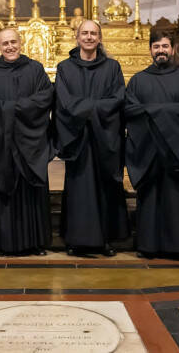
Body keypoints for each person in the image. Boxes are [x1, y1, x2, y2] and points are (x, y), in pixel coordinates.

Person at [125, 30, 179, 259]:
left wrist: (156, 114)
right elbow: (129, 111)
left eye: (165, 46)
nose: (160, 51)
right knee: (149, 200)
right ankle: (147, 246)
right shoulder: (138, 80)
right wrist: (166, 119)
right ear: (150, 50)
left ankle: (177, 247)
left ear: (173, 49)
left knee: (176, 200)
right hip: (148, 151)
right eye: (156, 47)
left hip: (177, 152)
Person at [0, 28, 53, 256]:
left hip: (30, 142)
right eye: (5, 43)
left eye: (13, 42)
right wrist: (19, 108)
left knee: (32, 193)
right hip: (2, 144)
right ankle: (4, 244)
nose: (10, 47)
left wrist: (10, 108)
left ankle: (36, 243)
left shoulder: (35, 69)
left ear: (21, 42)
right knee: (4, 193)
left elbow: (45, 97)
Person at [54, 20, 130, 257]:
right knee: (79, 189)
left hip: (104, 138)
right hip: (77, 137)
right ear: (77, 38)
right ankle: (76, 240)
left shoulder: (112, 67)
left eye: (93, 33)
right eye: (84, 33)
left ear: (99, 38)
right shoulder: (65, 68)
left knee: (104, 187)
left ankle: (104, 240)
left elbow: (117, 98)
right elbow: (64, 101)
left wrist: (87, 110)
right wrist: (94, 110)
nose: (88, 37)